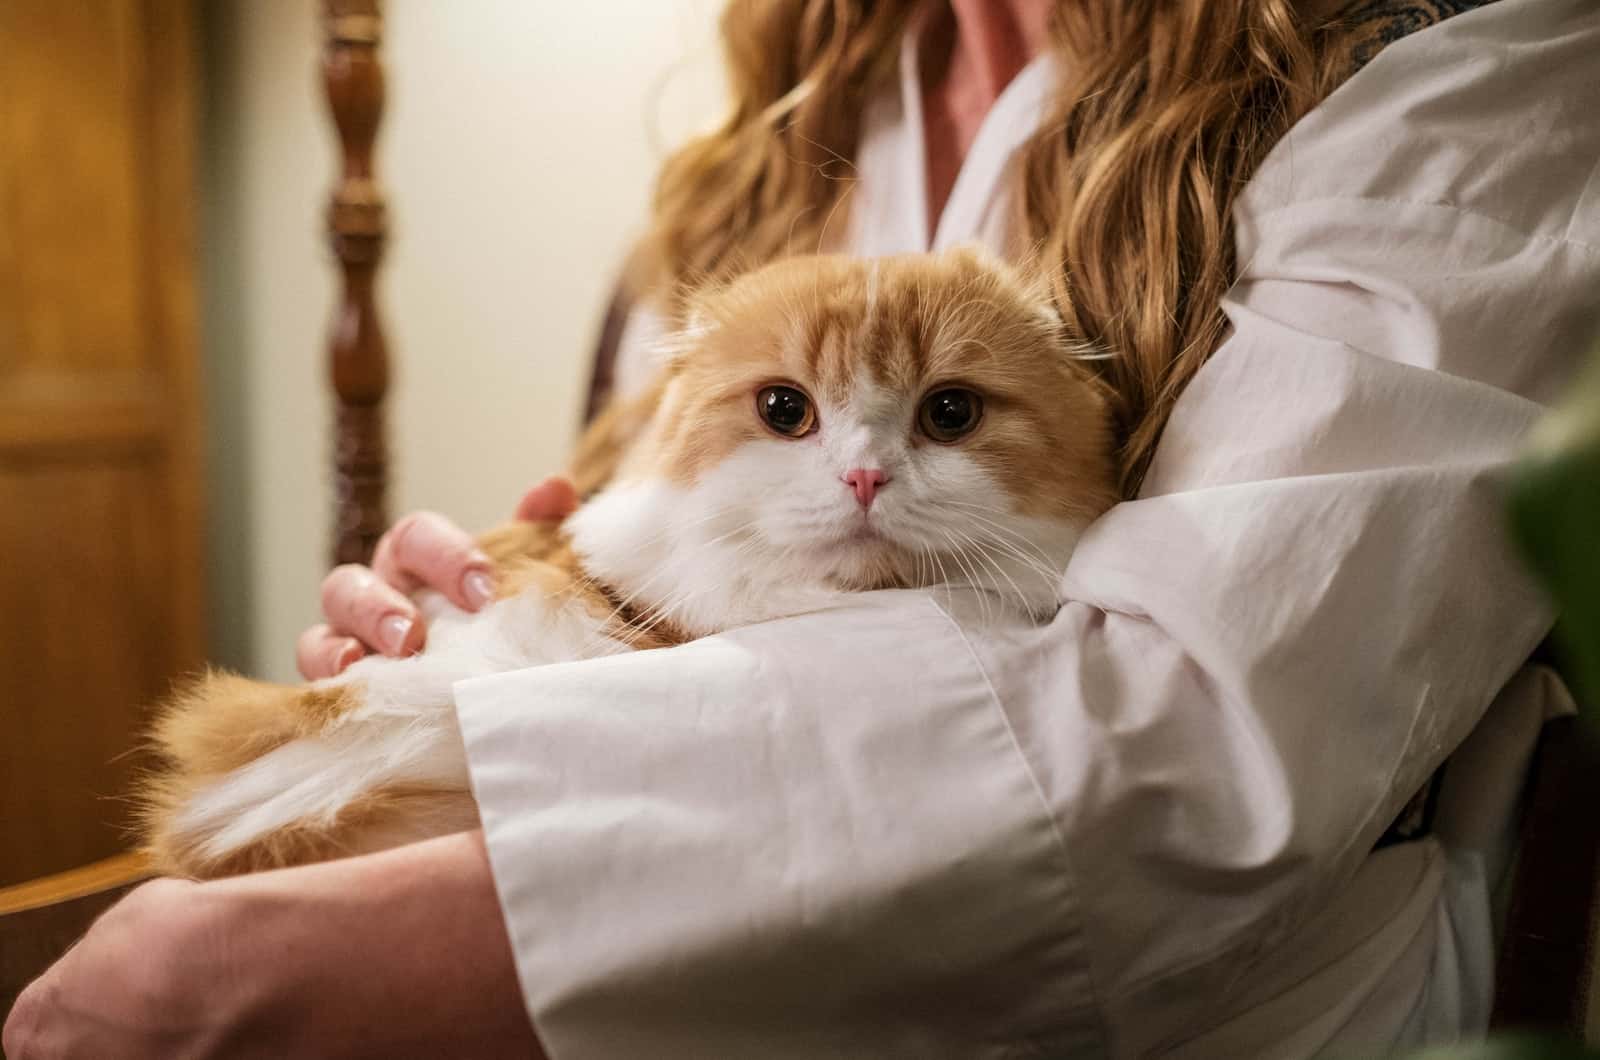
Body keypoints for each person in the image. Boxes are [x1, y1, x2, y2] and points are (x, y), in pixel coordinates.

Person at [8, 0, 1599, 1055]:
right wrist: (461, 630)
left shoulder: (1460, 64)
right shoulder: (774, 137)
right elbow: (649, 546)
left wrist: (327, 946)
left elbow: (1193, 759)